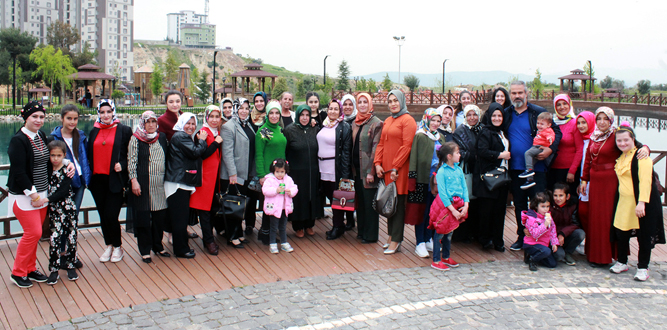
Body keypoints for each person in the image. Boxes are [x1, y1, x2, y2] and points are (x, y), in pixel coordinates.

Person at [579, 107, 648, 266]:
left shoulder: (616, 134)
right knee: (595, 218)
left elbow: (635, 145)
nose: (602, 122)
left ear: (611, 120)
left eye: (605, 119)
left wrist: (645, 148)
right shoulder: (594, 137)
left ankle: (612, 255)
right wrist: (584, 180)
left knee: (607, 217)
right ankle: (596, 255)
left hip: (611, 181)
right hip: (595, 182)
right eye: (599, 119)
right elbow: (588, 160)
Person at [504, 81, 562, 251]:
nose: (517, 96)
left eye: (520, 93)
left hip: (537, 169)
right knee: (520, 204)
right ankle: (522, 236)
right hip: (515, 168)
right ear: (510, 95)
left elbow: (557, 132)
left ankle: (543, 239)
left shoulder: (537, 112)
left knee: (540, 204)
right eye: (513, 93)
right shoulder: (507, 113)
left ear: (526, 93)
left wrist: (550, 150)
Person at [609, 124, 665, 281]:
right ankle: (622, 261)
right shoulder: (621, 157)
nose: (622, 143)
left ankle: (642, 267)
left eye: (626, 140)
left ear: (633, 139)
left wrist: (641, 203)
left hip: (640, 202)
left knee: (644, 235)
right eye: (619, 141)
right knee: (621, 232)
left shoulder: (641, 157)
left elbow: (646, 182)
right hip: (623, 202)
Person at [7, 102, 53, 287]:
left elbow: (50, 158)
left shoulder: (41, 135)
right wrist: (34, 196)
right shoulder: (18, 140)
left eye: (41, 117)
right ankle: (18, 272)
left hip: (41, 193)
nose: (38, 120)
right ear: (26, 117)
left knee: (37, 233)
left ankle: (30, 269)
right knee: (33, 232)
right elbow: (19, 173)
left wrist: (68, 163)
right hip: (25, 196)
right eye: (34, 116)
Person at [88, 99, 132, 263]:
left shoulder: (124, 130)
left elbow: (132, 155)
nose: (105, 115)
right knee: (102, 215)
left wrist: (124, 165)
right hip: (98, 180)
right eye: (102, 112)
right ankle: (109, 245)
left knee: (111, 215)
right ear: (98, 113)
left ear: (113, 111)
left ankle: (118, 247)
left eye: (108, 111)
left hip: (116, 180)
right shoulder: (94, 130)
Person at [48, 105, 90, 270]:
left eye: (75, 118)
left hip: (79, 181)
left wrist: (87, 176)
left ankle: (69, 254)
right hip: (62, 182)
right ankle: (60, 252)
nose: (72, 122)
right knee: (60, 218)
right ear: (62, 119)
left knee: (72, 217)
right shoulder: (54, 137)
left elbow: (84, 156)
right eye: (69, 118)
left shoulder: (80, 135)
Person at [374, 90, 416, 254]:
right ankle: (390, 235)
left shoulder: (408, 121)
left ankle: (397, 240)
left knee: (397, 204)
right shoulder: (389, 120)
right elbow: (381, 144)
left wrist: (396, 167)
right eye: (390, 101)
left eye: (395, 100)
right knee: (388, 201)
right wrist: (377, 163)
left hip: (399, 170)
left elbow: (407, 146)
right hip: (387, 170)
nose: (392, 104)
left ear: (401, 101)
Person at [126, 111, 170, 263]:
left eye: (153, 121)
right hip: (142, 184)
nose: (151, 125)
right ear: (142, 123)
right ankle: (145, 250)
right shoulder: (136, 139)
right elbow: (131, 162)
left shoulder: (161, 137)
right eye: (148, 122)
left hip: (160, 184)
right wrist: (133, 180)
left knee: (159, 218)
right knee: (143, 218)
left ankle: (158, 246)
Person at [164, 113, 208, 258]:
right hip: (178, 183)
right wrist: (202, 140)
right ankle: (181, 250)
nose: (190, 126)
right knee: (180, 219)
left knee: (180, 218)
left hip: (180, 181)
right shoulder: (180, 136)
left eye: (193, 124)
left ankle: (181, 247)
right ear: (181, 123)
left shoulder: (182, 137)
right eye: (187, 123)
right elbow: (195, 152)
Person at [157, 90, 198, 240]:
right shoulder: (162, 120)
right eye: (171, 101)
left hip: (186, 163)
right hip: (172, 163)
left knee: (183, 201)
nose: (175, 104)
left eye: (177, 101)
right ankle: (170, 231)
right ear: (166, 103)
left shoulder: (185, 117)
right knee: (172, 200)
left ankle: (183, 228)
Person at [407, 108, 446, 257]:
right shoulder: (420, 136)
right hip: (422, 179)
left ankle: (428, 237)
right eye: (433, 120)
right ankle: (419, 242)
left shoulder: (440, 137)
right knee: (421, 211)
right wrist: (413, 178)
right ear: (427, 119)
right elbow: (414, 158)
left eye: (438, 121)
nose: (435, 124)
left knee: (432, 210)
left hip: (436, 181)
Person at [221, 98, 258, 247]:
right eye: (240, 108)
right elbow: (227, 153)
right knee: (233, 205)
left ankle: (239, 233)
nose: (244, 111)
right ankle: (232, 236)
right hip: (234, 174)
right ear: (235, 109)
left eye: (246, 108)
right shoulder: (228, 127)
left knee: (241, 204)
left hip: (247, 172)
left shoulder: (247, 124)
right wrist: (232, 174)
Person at [475, 102, 511, 252]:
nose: (497, 118)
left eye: (499, 115)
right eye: (494, 115)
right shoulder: (486, 132)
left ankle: (498, 240)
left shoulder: (503, 132)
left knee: (500, 210)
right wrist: (499, 155)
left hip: (503, 176)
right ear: (489, 116)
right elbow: (481, 151)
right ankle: (485, 239)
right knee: (487, 211)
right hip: (490, 176)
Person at [284, 104, 322, 237]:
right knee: (299, 198)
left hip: (312, 170)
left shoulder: (314, 129)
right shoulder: (289, 130)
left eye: (307, 115)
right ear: (298, 116)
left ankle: (309, 224)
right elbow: (286, 150)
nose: (305, 118)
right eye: (302, 115)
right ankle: (298, 226)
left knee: (311, 196)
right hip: (296, 171)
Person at [430, 142, 468, 271]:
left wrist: (466, 204)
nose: (460, 155)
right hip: (446, 206)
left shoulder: (458, 169)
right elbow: (443, 193)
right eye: (457, 153)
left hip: (458, 205)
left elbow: (464, 188)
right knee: (440, 231)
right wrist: (452, 210)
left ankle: (446, 257)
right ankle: (436, 260)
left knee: (450, 231)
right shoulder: (441, 172)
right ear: (449, 156)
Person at [317, 99, 352, 240]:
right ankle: (339, 224)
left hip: (334, 168)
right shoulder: (324, 125)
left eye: (336, 109)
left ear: (340, 111)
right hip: (321, 167)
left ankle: (338, 226)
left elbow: (345, 153)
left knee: (337, 199)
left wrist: (344, 174)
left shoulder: (344, 127)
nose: (332, 111)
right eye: (330, 108)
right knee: (329, 196)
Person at [44, 140, 78, 285]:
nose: (55, 159)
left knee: (71, 236)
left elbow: (64, 190)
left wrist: (47, 200)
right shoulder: (47, 169)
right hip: (54, 210)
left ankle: (71, 265)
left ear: (63, 155)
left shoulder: (66, 170)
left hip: (68, 207)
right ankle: (54, 269)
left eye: (59, 155)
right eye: (52, 155)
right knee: (54, 238)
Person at [351, 93, 383, 243]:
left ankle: (370, 235)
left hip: (368, 171)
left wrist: (371, 172)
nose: (362, 105)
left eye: (365, 102)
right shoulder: (355, 122)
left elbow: (376, 149)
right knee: (361, 203)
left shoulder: (376, 123)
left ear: (370, 105)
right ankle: (361, 231)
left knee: (370, 205)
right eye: (360, 102)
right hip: (356, 170)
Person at [191, 105, 224, 253]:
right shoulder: (202, 132)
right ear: (206, 117)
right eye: (212, 117)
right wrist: (216, 143)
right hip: (205, 178)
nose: (215, 120)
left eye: (217, 117)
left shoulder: (218, 132)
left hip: (214, 177)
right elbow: (202, 154)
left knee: (212, 209)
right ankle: (209, 242)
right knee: (204, 210)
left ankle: (208, 237)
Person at [256, 101, 288, 243]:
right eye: (271, 113)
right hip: (269, 175)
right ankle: (265, 233)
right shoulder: (264, 131)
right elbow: (259, 155)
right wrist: (261, 175)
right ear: (267, 115)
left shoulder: (279, 129)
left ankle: (274, 231)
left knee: (278, 203)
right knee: (268, 205)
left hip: (280, 173)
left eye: (277, 113)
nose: (274, 116)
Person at [452, 104, 483, 243]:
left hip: (480, 170)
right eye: (469, 115)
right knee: (466, 199)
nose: (472, 118)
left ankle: (475, 233)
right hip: (466, 171)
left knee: (477, 201)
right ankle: (462, 234)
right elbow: (460, 151)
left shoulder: (482, 129)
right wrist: (476, 155)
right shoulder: (460, 131)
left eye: (474, 114)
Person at [547, 94, 584, 195]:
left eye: (565, 103)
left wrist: (572, 171)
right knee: (553, 199)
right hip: (552, 168)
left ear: (570, 105)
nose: (562, 107)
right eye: (558, 104)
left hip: (568, 170)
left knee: (569, 200)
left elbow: (580, 149)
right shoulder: (552, 123)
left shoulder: (575, 123)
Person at [262, 158, 298, 254]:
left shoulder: (288, 179)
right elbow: (265, 190)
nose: (280, 174)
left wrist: (291, 191)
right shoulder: (269, 180)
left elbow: (295, 188)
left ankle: (284, 243)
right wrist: (275, 190)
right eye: (277, 172)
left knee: (283, 226)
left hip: (284, 208)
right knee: (273, 226)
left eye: (282, 172)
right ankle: (272, 243)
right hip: (274, 208)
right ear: (273, 171)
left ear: (285, 171)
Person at [521, 192, 559, 271]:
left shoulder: (548, 216)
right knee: (546, 251)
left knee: (552, 264)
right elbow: (535, 234)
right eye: (543, 206)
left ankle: (536, 257)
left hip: (543, 244)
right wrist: (544, 225)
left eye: (547, 206)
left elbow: (552, 229)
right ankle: (532, 259)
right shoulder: (531, 218)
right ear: (536, 206)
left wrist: (554, 242)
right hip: (531, 244)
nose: (546, 209)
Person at [551, 183, 585, 266]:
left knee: (580, 233)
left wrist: (562, 233)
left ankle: (568, 252)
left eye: (561, 195)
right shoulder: (549, 206)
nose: (558, 198)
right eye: (555, 195)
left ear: (567, 196)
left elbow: (575, 224)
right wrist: (557, 235)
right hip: (552, 237)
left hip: (566, 235)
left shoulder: (573, 206)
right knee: (559, 256)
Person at [519, 112, 555, 190]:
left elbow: (550, 135)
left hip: (540, 147)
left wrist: (550, 139)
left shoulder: (548, 130)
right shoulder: (540, 130)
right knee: (531, 162)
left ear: (548, 125)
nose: (539, 125)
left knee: (527, 153)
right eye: (538, 123)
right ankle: (530, 180)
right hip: (536, 146)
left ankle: (529, 171)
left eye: (542, 124)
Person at [575, 111, 595, 235]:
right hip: (583, 180)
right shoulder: (581, 139)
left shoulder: (597, 138)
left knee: (589, 211)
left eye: (584, 123)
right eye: (578, 123)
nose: (581, 126)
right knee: (583, 211)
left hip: (594, 180)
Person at [340, 94, 357, 230]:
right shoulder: (337, 121)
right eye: (345, 104)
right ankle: (348, 220)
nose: (347, 107)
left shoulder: (358, 120)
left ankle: (356, 219)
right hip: (343, 162)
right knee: (346, 190)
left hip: (356, 162)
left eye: (350, 104)